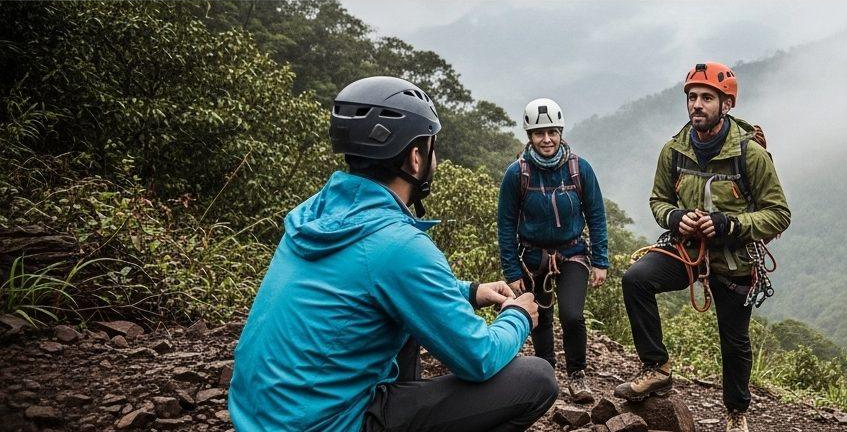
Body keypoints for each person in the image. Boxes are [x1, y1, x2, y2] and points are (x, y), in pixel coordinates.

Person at [229, 76, 558, 432]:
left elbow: (365, 282)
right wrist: (517, 315)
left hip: (258, 416)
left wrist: (469, 292)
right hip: (326, 424)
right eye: (432, 147)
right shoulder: (398, 244)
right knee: (537, 378)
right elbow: (479, 358)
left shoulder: (317, 214)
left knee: (408, 319)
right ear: (415, 158)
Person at [615, 62, 791, 432]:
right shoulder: (674, 151)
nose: (697, 104)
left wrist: (731, 224)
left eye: (706, 98)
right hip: (687, 250)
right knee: (636, 279)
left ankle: (736, 412)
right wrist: (676, 218)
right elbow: (658, 201)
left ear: (726, 105)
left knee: (734, 339)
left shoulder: (750, 155)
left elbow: (779, 214)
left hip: (734, 257)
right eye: (692, 97)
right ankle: (656, 367)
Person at [497, 98, 609, 403]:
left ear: (560, 132)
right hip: (532, 257)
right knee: (541, 317)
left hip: (572, 252)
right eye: (539, 133)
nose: (547, 139)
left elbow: (596, 215)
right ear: (530, 136)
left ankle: (578, 375)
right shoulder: (517, 173)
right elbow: (505, 224)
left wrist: (600, 260)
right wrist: (511, 270)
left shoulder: (578, 169)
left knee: (572, 315)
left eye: (552, 132)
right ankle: (547, 373)